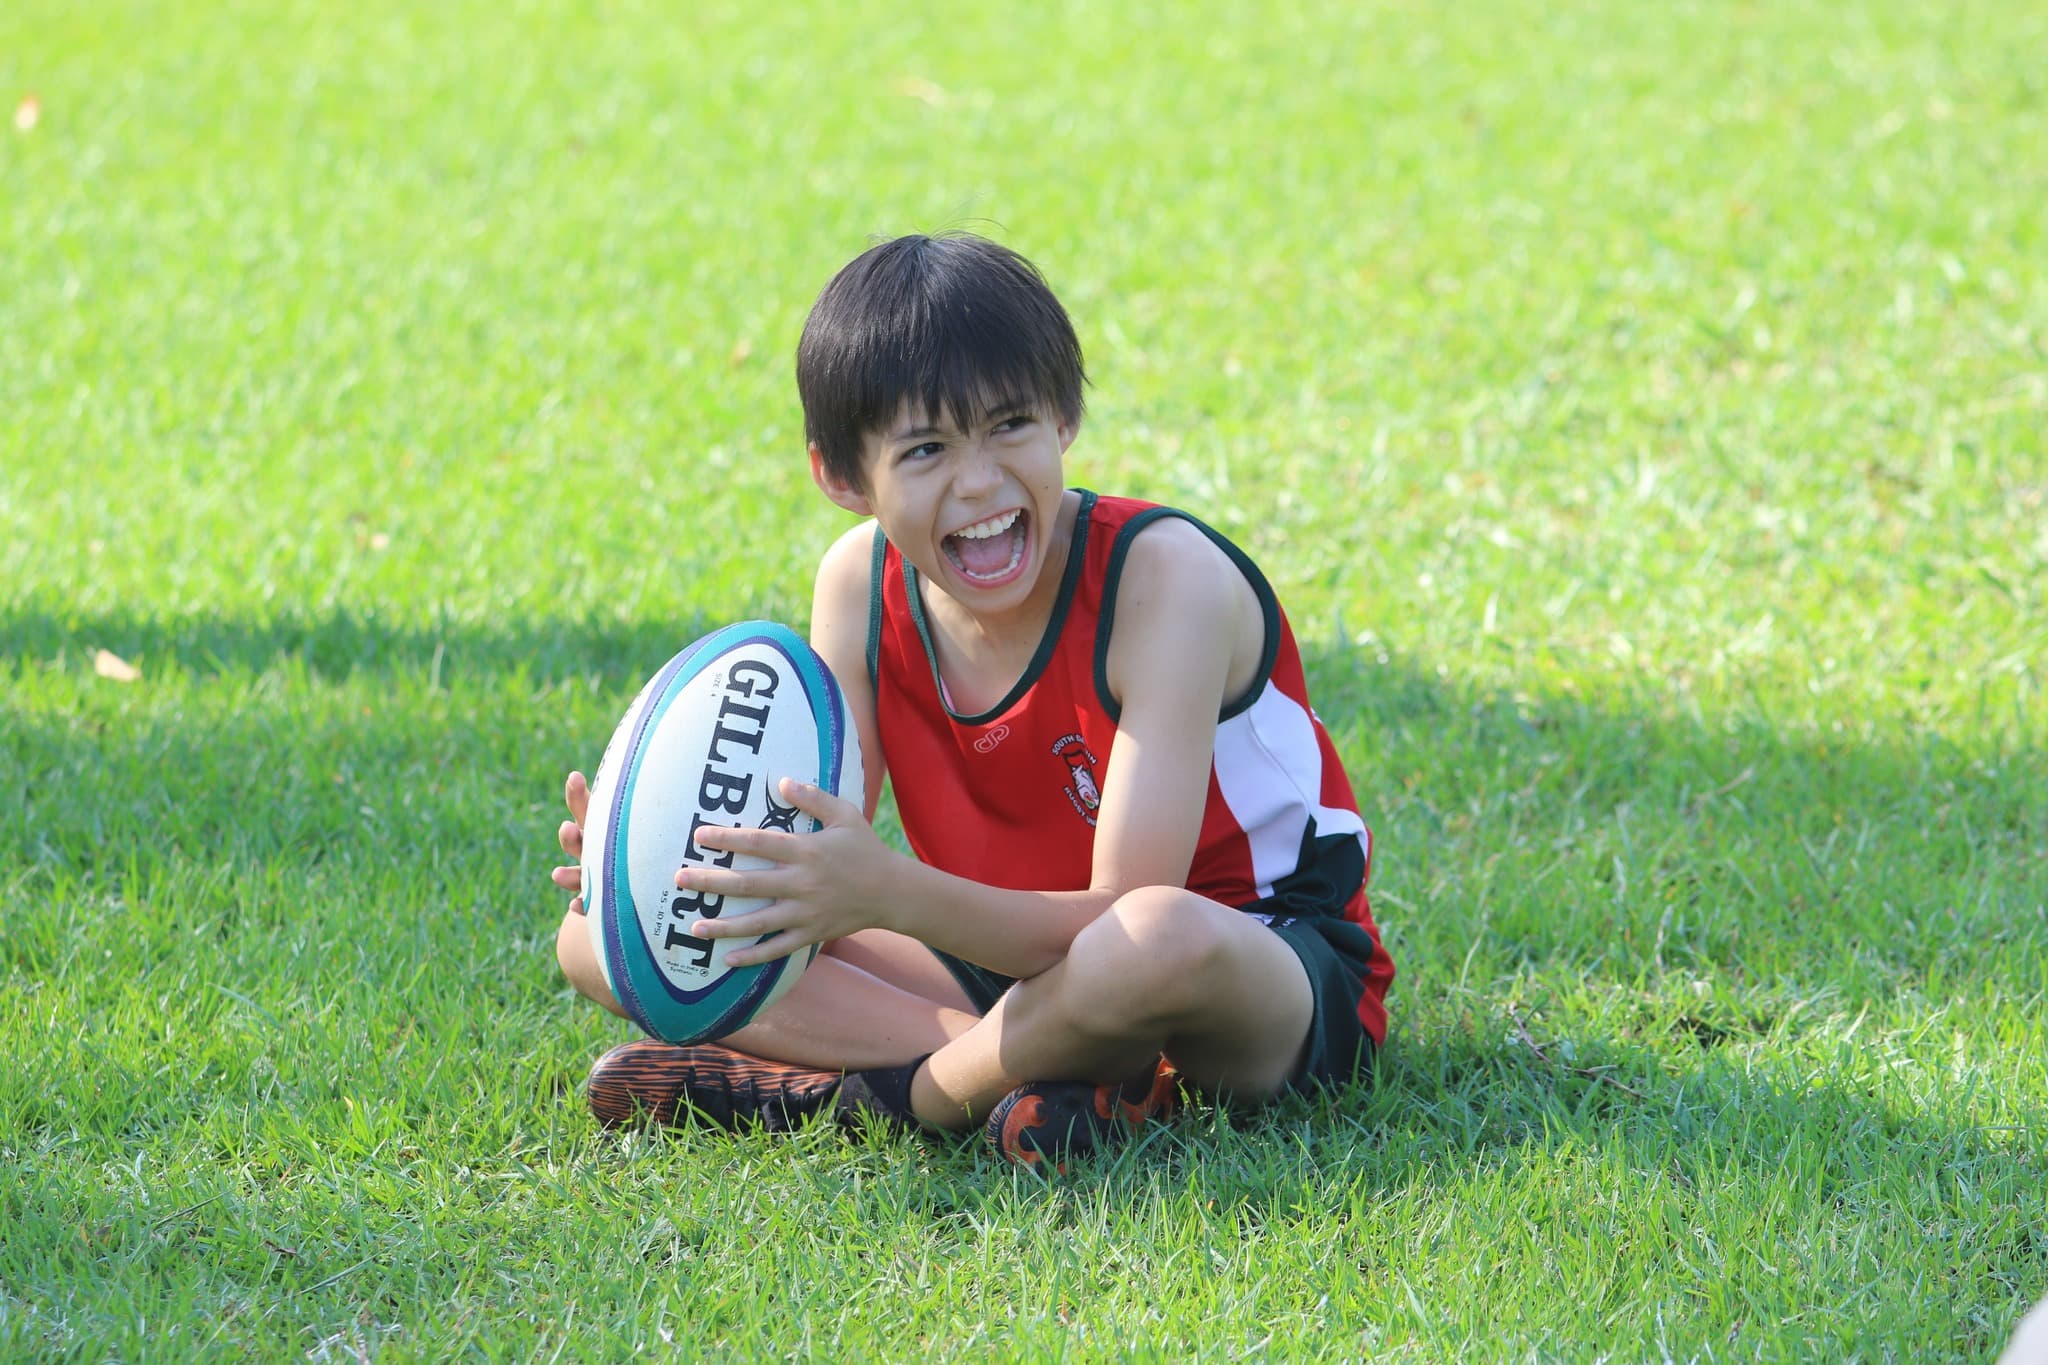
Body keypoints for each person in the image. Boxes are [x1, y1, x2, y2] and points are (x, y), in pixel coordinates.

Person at [549, 233, 1395, 1170]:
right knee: (600, 938)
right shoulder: (857, 586)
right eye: (924, 449)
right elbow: (822, 841)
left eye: (1009, 426)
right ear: (840, 476)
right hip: (1007, 964)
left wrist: (889, 891)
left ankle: (904, 1095)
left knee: (1146, 940)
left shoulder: (1163, 579)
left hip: (1250, 967)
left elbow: (1121, 909)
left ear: (1065, 416)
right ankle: (1041, 1076)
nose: (981, 479)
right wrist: (664, 858)